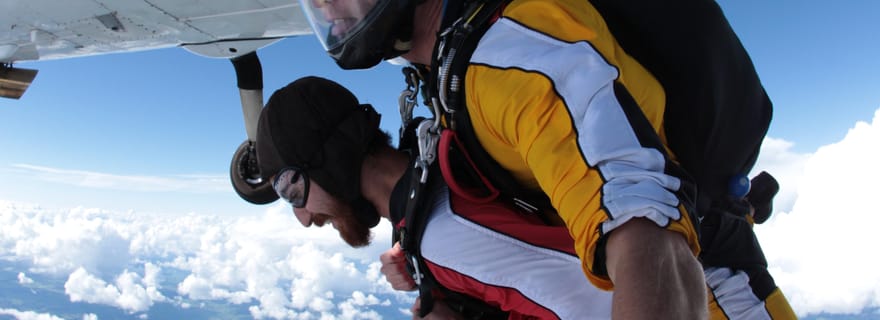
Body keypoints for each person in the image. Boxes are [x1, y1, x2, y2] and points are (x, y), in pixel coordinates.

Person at [297, 0, 797, 319]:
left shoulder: (513, 54)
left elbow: (646, 232)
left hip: (717, 296)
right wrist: (435, 275)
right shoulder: (456, 65)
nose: (326, 6)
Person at [255, 76, 613, 319]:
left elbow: (611, 303)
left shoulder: (443, 234)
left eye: (291, 189)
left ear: (330, 159)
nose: (303, 218)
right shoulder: (430, 176)